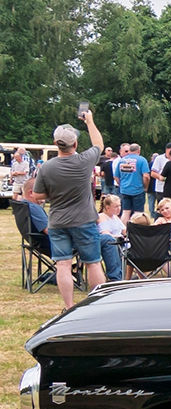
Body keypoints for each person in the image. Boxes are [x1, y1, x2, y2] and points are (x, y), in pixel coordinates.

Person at [31, 110, 106, 309]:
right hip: (84, 220)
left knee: (62, 264)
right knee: (93, 262)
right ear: (75, 144)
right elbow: (99, 145)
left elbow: (37, 196)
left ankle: (69, 306)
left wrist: (54, 192)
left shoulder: (46, 167)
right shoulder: (84, 161)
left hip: (58, 222)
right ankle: (97, 305)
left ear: (56, 144)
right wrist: (89, 121)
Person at [116, 142, 148, 221]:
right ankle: (136, 230)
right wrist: (145, 187)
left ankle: (124, 230)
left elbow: (116, 176)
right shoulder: (142, 160)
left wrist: (121, 185)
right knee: (138, 213)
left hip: (125, 190)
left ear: (129, 150)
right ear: (138, 151)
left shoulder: (121, 160)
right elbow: (146, 176)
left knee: (126, 211)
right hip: (138, 189)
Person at [97, 193, 125, 281]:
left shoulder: (115, 217)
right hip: (109, 243)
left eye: (120, 206)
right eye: (116, 206)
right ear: (107, 207)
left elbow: (125, 230)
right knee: (112, 242)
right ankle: (116, 278)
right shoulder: (101, 217)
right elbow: (105, 234)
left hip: (120, 243)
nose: (119, 208)